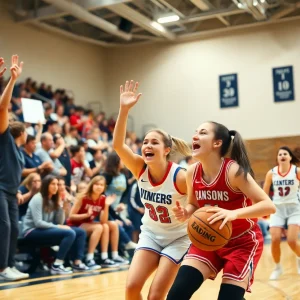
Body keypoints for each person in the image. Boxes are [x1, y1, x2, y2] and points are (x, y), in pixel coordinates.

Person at [167, 121, 276, 300]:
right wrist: (187, 212)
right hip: (207, 239)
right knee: (176, 295)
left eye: (202, 133)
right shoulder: (192, 172)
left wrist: (234, 213)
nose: (195, 136)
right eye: (195, 132)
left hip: (242, 243)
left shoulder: (233, 171)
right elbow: (194, 204)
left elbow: (268, 206)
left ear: (217, 143)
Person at [113, 80, 191, 300]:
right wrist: (124, 110)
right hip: (150, 235)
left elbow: (200, 205)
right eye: (145, 142)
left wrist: (189, 213)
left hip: (178, 238)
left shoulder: (181, 177)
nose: (147, 145)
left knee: (155, 296)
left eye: (154, 143)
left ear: (166, 150)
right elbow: (118, 146)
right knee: (131, 288)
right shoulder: (139, 168)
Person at [0, 55, 30, 281]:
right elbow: (3, 106)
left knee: (14, 229)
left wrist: (18, 189)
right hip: (0, 189)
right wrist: (12, 81)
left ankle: (9, 265)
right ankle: (2, 268)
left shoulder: (19, 152)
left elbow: (13, 172)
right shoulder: (4, 137)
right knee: (5, 228)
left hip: (11, 192)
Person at [22, 175, 89, 274]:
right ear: (46, 185)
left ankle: (77, 263)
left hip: (44, 230)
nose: (56, 187)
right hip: (31, 231)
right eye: (53, 184)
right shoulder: (38, 198)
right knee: (69, 233)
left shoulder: (53, 199)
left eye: (57, 184)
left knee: (80, 232)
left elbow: (60, 222)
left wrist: (61, 205)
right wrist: (58, 226)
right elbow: (38, 223)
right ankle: (57, 265)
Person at [68, 176, 127, 268]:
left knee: (111, 225)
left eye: (101, 185)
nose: (99, 187)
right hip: (75, 225)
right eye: (96, 184)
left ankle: (109, 256)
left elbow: (103, 221)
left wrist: (106, 205)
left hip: (88, 224)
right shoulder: (83, 197)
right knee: (99, 227)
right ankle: (89, 258)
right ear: (92, 185)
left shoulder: (103, 198)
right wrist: (86, 215)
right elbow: (71, 217)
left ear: (104, 187)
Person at [263, 146, 300, 280]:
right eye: (280, 154)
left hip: (294, 209)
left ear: (290, 157)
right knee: (275, 239)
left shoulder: (297, 171)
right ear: (277, 158)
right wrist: (264, 208)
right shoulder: (271, 173)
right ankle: (278, 267)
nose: (282, 155)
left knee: (291, 241)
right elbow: (264, 193)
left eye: (285, 153)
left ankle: (299, 258)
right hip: (277, 209)